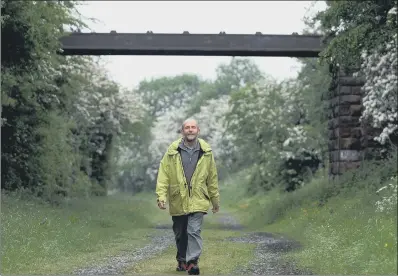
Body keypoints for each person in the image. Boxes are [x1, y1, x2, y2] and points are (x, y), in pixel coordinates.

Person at [155, 118, 220, 275]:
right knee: (180, 232)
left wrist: (215, 200)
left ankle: (193, 262)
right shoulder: (172, 151)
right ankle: (182, 259)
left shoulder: (206, 152)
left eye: (193, 127)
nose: (190, 130)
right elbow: (163, 175)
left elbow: (212, 178)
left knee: (194, 230)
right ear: (182, 131)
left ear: (198, 130)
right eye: (187, 128)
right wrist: (161, 196)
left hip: (199, 198)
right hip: (178, 198)